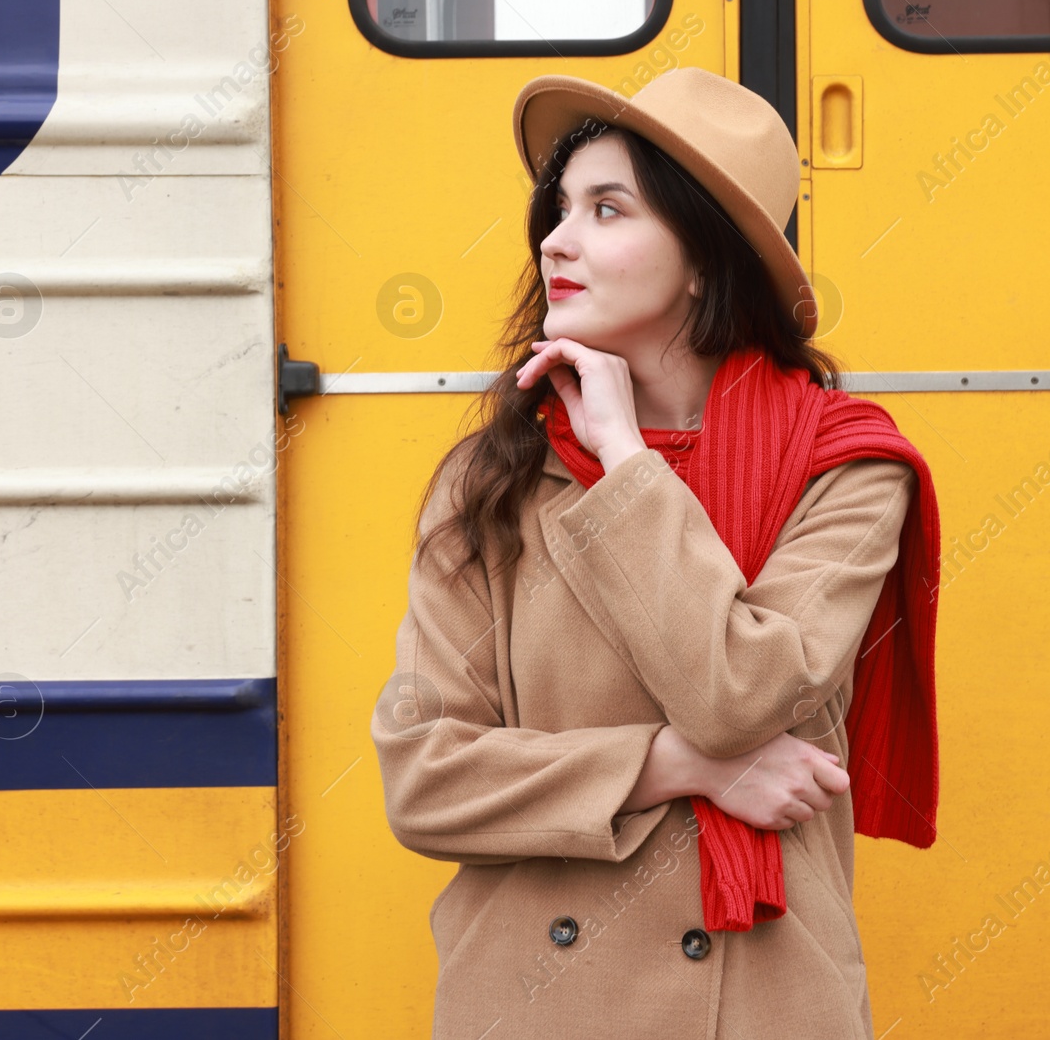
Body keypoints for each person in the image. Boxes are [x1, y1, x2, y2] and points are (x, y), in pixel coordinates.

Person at [370, 66, 941, 1040]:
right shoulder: (492, 481)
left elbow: (738, 692)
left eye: (606, 208)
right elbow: (425, 777)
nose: (557, 237)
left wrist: (626, 459)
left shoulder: (842, 465)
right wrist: (679, 765)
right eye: (558, 207)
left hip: (764, 999)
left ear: (704, 261)